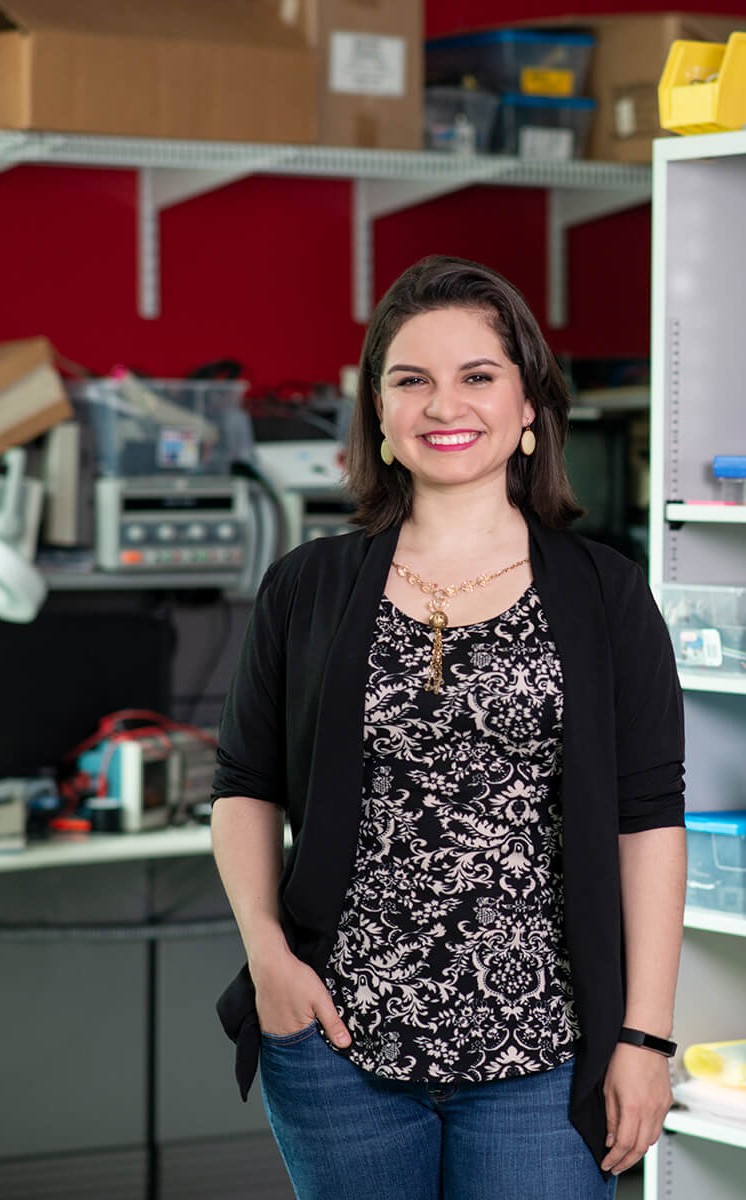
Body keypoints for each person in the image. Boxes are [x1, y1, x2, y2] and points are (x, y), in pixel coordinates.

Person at [209, 255, 687, 1199]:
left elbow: (650, 823)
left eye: (477, 376)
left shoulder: (604, 593)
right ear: (381, 418)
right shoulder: (307, 586)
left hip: (545, 1053)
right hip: (336, 1040)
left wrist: (645, 1034)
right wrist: (269, 961)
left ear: (527, 412)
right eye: (411, 380)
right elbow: (244, 787)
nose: (444, 405)